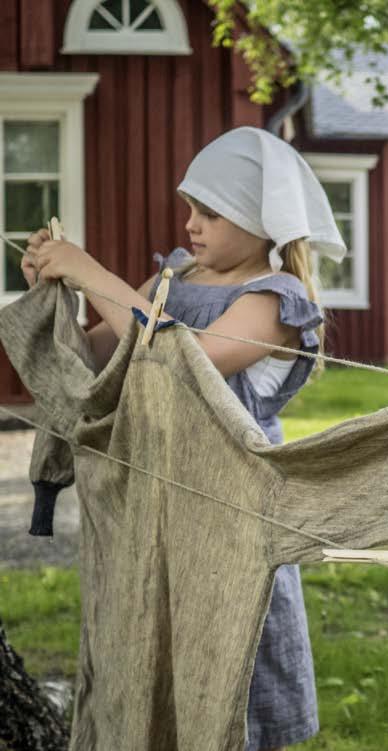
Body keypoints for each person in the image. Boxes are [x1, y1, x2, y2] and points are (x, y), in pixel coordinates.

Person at [22, 126, 345, 751]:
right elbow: (97, 361)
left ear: (259, 220)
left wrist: (92, 273)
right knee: (158, 647)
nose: (191, 224)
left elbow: (186, 359)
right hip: (155, 498)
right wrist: (55, 290)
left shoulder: (276, 300)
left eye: (211, 212)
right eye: (189, 208)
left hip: (229, 508)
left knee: (227, 651)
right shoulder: (174, 273)